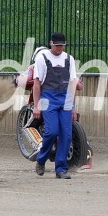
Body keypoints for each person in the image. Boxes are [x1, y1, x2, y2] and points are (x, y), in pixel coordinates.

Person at [32, 32, 82, 179]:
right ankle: (41, 160)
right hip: (48, 98)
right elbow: (36, 84)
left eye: (62, 45)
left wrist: (73, 106)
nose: (59, 48)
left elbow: (73, 84)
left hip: (65, 99)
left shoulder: (69, 59)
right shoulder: (42, 58)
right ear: (51, 44)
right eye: (57, 45)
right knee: (51, 132)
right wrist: (36, 106)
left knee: (66, 135)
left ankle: (61, 169)